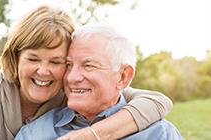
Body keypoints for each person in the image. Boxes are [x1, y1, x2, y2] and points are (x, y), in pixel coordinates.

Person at [0, 5, 173, 140]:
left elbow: (157, 102)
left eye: (57, 62)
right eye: (32, 59)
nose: (44, 71)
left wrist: (91, 135)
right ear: (15, 57)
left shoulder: (73, 88)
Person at [15, 23, 184, 140]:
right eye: (68, 65)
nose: (72, 77)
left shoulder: (159, 134)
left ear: (123, 76)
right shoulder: (34, 134)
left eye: (88, 65)